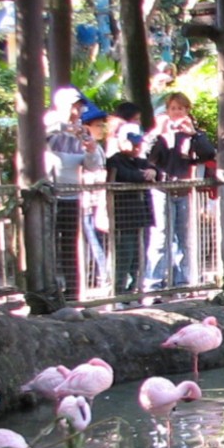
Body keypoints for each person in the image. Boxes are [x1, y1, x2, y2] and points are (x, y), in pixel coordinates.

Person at [144, 92, 217, 291]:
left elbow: (208, 154)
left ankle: (183, 282)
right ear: (167, 111)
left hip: (184, 190)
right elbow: (147, 155)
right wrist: (158, 133)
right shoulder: (160, 135)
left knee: (185, 238)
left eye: (181, 109)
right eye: (173, 109)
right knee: (160, 237)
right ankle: (153, 284)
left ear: (187, 111)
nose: (177, 113)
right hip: (162, 189)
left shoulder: (193, 135)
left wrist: (194, 134)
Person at [47, 98, 109, 300]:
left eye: (79, 107)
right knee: (47, 244)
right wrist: (65, 127)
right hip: (48, 196)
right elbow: (39, 136)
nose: (76, 111)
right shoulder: (51, 126)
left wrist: (91, 150)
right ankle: (48, 289)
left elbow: (93, 165)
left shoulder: (82, 134)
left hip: (72, 196)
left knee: (69, 246)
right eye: (73, 106)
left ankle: (72, 292)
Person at [104, 115, 155, 294]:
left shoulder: (141, 161)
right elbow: (127, 175)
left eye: (138, 143)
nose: (136, 147)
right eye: (132, 142)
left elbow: (154, 171)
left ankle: (135, 290)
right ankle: (117, 291)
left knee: (139, 258)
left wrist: (151, 171)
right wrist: (144, 175)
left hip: (142, 218)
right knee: (124, 255)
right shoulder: (114, 161)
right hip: (124, 219)